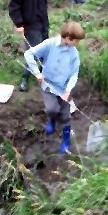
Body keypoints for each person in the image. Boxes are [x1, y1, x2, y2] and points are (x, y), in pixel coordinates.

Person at [24, 21, 85, 153]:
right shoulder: (49, 44)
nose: (77, 44)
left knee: (65, 116)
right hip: (48, 86)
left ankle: (66, 141)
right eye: (77, 41)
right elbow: (29, 54)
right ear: (69, 38)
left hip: (64, 89)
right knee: (52, 109)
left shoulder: (74, 54)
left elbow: (74, 74)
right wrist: (37, 73)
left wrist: (68, 90)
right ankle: (51, 120)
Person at [9, 0, 49, 92]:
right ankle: (25, 77)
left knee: (45, 50)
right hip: (30, 25)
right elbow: (13, 6)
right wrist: (19, 24)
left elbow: (43, 2)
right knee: (33, 52)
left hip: (43, 22)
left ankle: (44, 75)